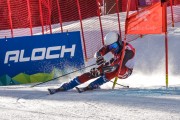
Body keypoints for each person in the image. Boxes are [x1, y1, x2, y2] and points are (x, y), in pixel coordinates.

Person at [48, 32, 135, 94]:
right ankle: (70, 84)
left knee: (114, 70)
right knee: (94, 72)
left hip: (125, 71)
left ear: (119, 42)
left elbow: (119, 66)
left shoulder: (128, 51)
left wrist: (105, 70)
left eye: (114, 46)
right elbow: (98, 53)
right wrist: (99, 57)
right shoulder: (112, 45)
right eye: (110, 47)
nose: (112, 49)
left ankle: (95, 84)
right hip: (114, 65)